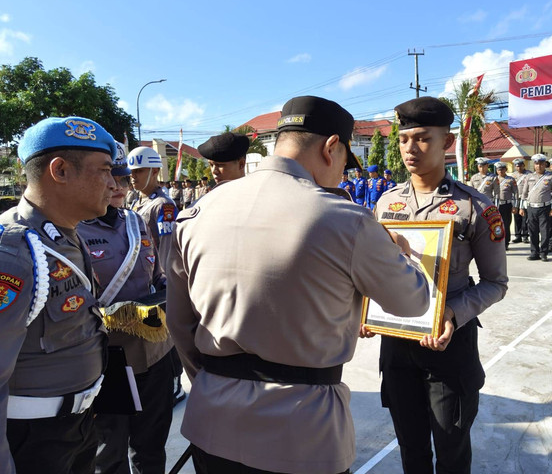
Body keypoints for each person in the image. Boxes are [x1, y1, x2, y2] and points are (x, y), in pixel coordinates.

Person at [165, 95, 431, 474]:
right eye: (343, 162)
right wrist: (401, 253)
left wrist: (215, 380)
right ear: (331, 147)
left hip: (212, 422)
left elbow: (179, 323)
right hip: (302, 433)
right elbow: (413, 302)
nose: (342, 174)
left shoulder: (197, 214)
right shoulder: (346, 220)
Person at [373, 96, 508, 474]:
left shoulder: (475, 207)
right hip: (397, 344)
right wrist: (366, 309)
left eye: (422, 138)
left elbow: (496, 283)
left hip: (449, 345)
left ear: (447, 142)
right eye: (403, 139)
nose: (409, 149)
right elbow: (375, 271)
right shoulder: (385, 204)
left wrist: (452, 311)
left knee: (451, 450)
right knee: (411, 449)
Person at [0, 116, 117, 474]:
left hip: (77, 424)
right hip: (34, 441)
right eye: (105, 171)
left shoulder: (66, 233)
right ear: (61, 170)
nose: (114, 185)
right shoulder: (14, 250)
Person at [78, 143, 174, 474]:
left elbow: (158, 274)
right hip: (109, 362)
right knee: (110, 453)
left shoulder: (135, 223)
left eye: (124, 178)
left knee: (152, 449)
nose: (119, 186)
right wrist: (122, 314)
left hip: (155, 353)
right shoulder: (72, 231)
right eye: (111, 177)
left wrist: (166, 294)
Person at [127, 147, 184, 404]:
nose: (133, 176)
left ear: (155, 171)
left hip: (159, 280)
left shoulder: (163, 205)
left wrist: (164, 281)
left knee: (166, 337)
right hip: (144, 280)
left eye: (139, 171)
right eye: (132, 172)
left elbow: (167, 245)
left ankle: (174, 384)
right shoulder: (137, 201)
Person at [519, 153, 552, 261]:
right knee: (532, 231)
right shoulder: (529, 177)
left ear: (545, 164)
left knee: (545, 232)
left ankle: (543, 253)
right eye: (537, 164)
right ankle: (534, 252)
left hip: (545, 208)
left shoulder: (551, 177)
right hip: (531, 207)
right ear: (534, 165)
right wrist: (521, 208)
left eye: (541, 164)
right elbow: (524, 193)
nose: (539, 166)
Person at [495, 161, 518, 250]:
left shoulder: (511, 180)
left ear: (506, 170)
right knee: (496, 224)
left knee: (506, 224)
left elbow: (515, 193)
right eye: (499, 170)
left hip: (506, 205)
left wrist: (515, 206)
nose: (500, 171)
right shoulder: (494, 179)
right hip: (496, 205)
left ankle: (506, 243)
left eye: (502, 169)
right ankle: (497, 242)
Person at [511, 158, 531, 244]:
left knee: (525, 217)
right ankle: (518, 235)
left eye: (520, 166)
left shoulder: (529, 174)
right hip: (516, 198)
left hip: (525, 198)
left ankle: (525, 235)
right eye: (517, 166)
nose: (519, 168)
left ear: (524, 165)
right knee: (517, 217)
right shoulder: (513, 175)